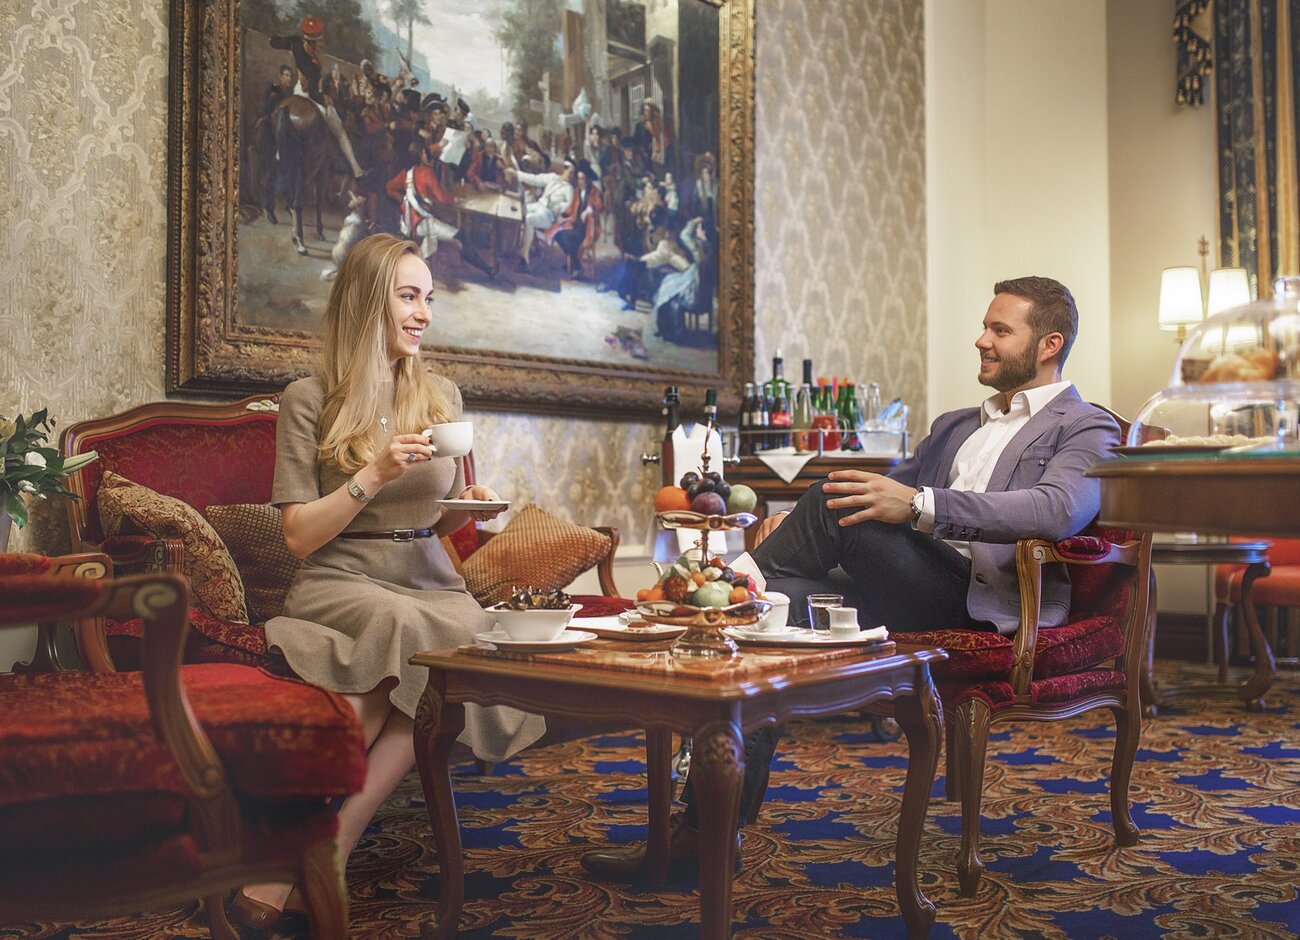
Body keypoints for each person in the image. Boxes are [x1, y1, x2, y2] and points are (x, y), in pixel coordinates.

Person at [581, 275, 1121, 881]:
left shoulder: (1086, 426)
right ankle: (705, 836)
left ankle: (709, 595)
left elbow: (1056, 510)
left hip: (980, 600)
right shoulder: (954, 425)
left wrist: (917, 504)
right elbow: (873, 494)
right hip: (906, 585)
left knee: (822, 505)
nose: (981, 340)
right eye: (984, 327)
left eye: (1000, 330)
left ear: (1049, 344)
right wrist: (805, 524)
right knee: (771, 613)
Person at [228, 233, 544, 933]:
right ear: (367, 302)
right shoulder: (308, 399)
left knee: (463, 650)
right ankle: (315, 861)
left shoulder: (441, 395)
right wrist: (372, 474)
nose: (424, 312)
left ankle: (320, 855)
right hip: (342, 577)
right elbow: (298, 536)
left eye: (428, 298)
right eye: (408, 296)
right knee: (413, 637)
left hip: (429, 579)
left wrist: (471, 506)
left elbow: (439, 519)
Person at [270, 16, 366, 178]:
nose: (322, 43)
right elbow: (314, 93)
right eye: (319, 40)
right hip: (310, 95)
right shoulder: (312, 66)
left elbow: (275, 42)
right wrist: (324, 99)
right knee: (340, 131)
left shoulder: (295, 42)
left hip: (297, 91)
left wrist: (275, 40)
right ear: (313, 42)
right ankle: (357, 169)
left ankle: (280, 153)